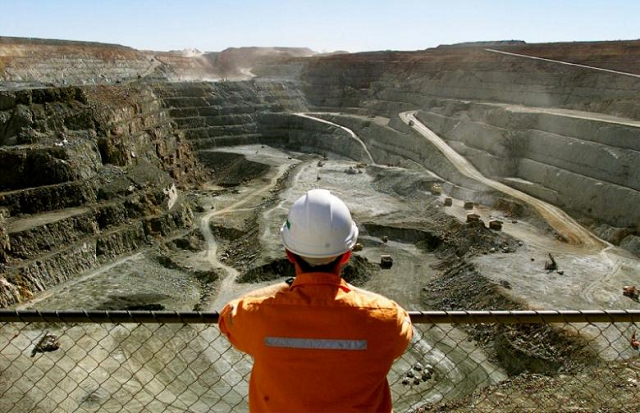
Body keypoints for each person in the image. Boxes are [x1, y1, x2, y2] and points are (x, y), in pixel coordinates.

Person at [219, 188, 413, 412]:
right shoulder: (385, 316)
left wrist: (284, 289)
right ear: (348, 255)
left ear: (289, 254)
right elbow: (403, 335)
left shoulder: (254, 313)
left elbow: (227, 318)